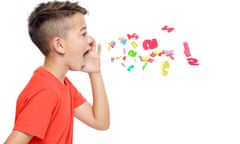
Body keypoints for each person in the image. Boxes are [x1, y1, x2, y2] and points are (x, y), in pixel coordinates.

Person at [4, 1, 110, 143]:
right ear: (60, 45)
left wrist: (95, 72)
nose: (90, 40)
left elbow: (100, 122)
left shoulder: (63, 85)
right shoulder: (46, 92)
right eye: (83, 34)